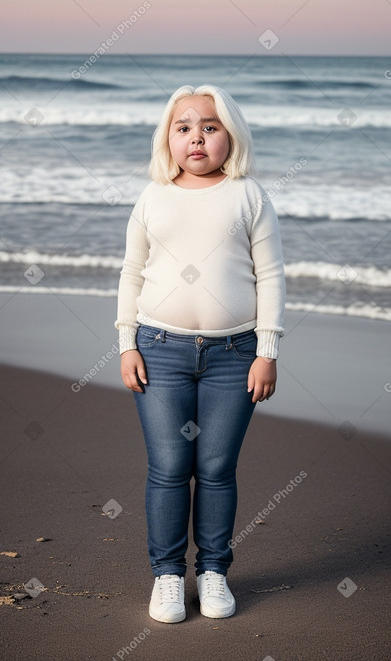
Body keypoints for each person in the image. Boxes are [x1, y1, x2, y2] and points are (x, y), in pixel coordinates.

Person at [115, 84, 285, 623]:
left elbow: (271, 275)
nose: (196, 137)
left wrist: (267, 349)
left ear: (229, 136)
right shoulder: (153, 197)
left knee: (215, 467)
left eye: (209, 127)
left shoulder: (248, 195)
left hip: (235, 354)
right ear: (168, 137)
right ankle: (167, 575)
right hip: (159, 349)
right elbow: (131, 273)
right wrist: (125, 344)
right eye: (184, 127)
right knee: (168, 465)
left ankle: (213, 572)